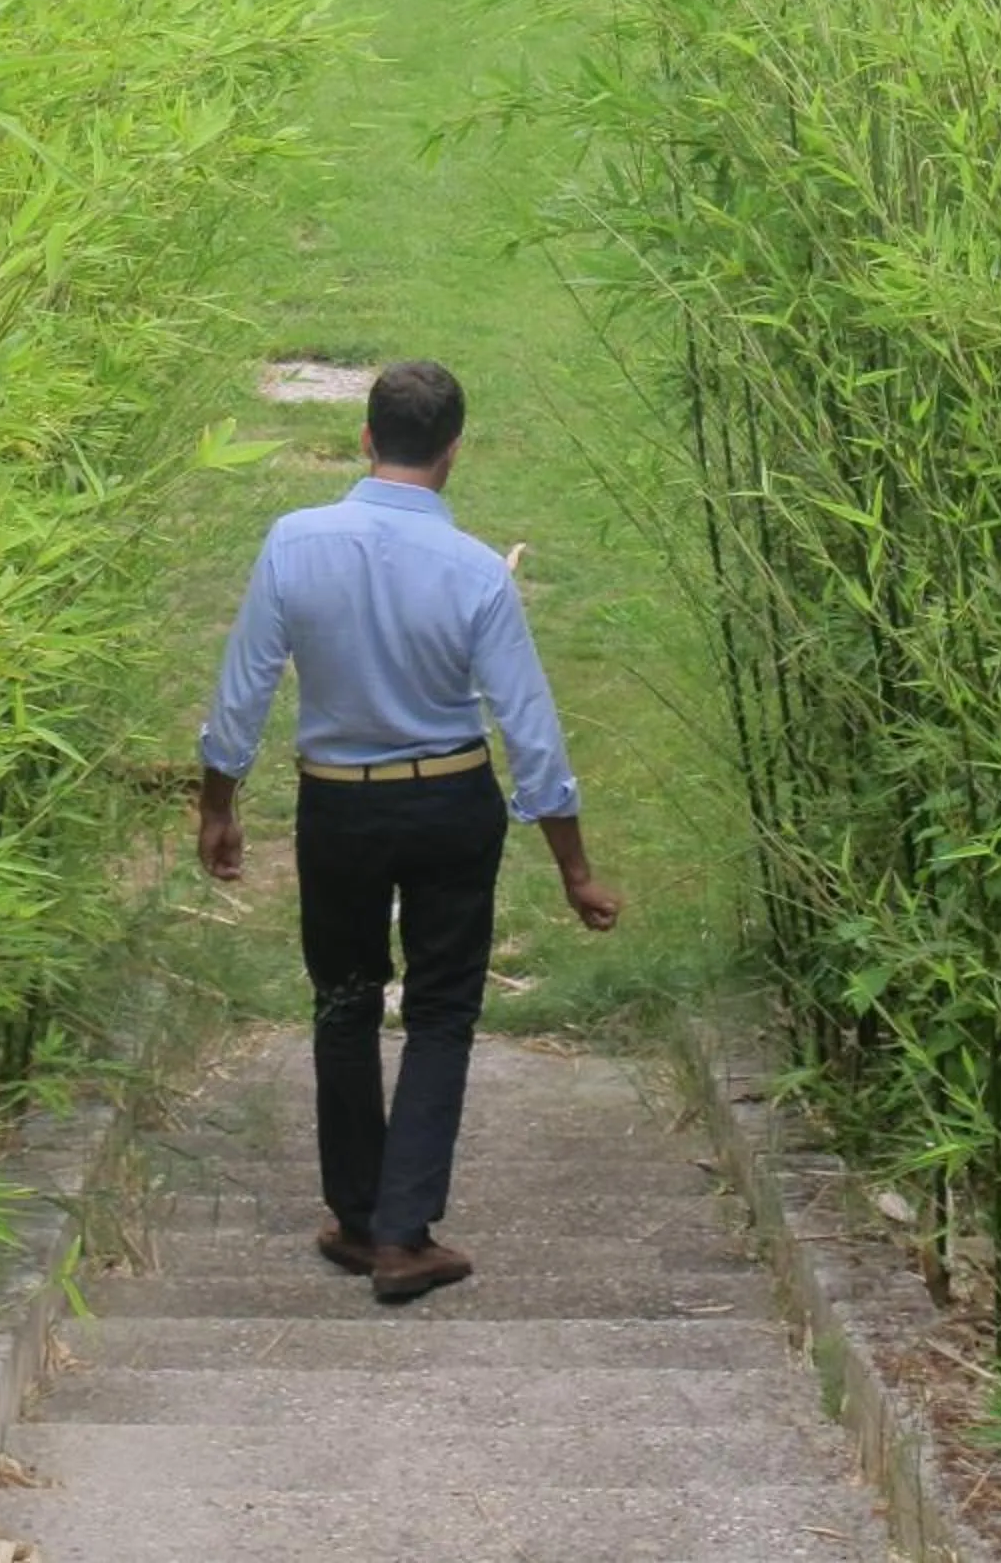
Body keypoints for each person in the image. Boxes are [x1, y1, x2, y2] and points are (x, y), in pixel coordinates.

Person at [197, 358, 622, 1304]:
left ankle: (354, 1217)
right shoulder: (474, 570)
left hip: (336, 802)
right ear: (454, 453)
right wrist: (574, 868)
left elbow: (244, 690)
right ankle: (404, 1232)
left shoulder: (293, 542)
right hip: (449, 802)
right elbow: (530, 731)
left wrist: (218, 804)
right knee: (440, 1012)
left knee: (344, 1000)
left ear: (364, 440)